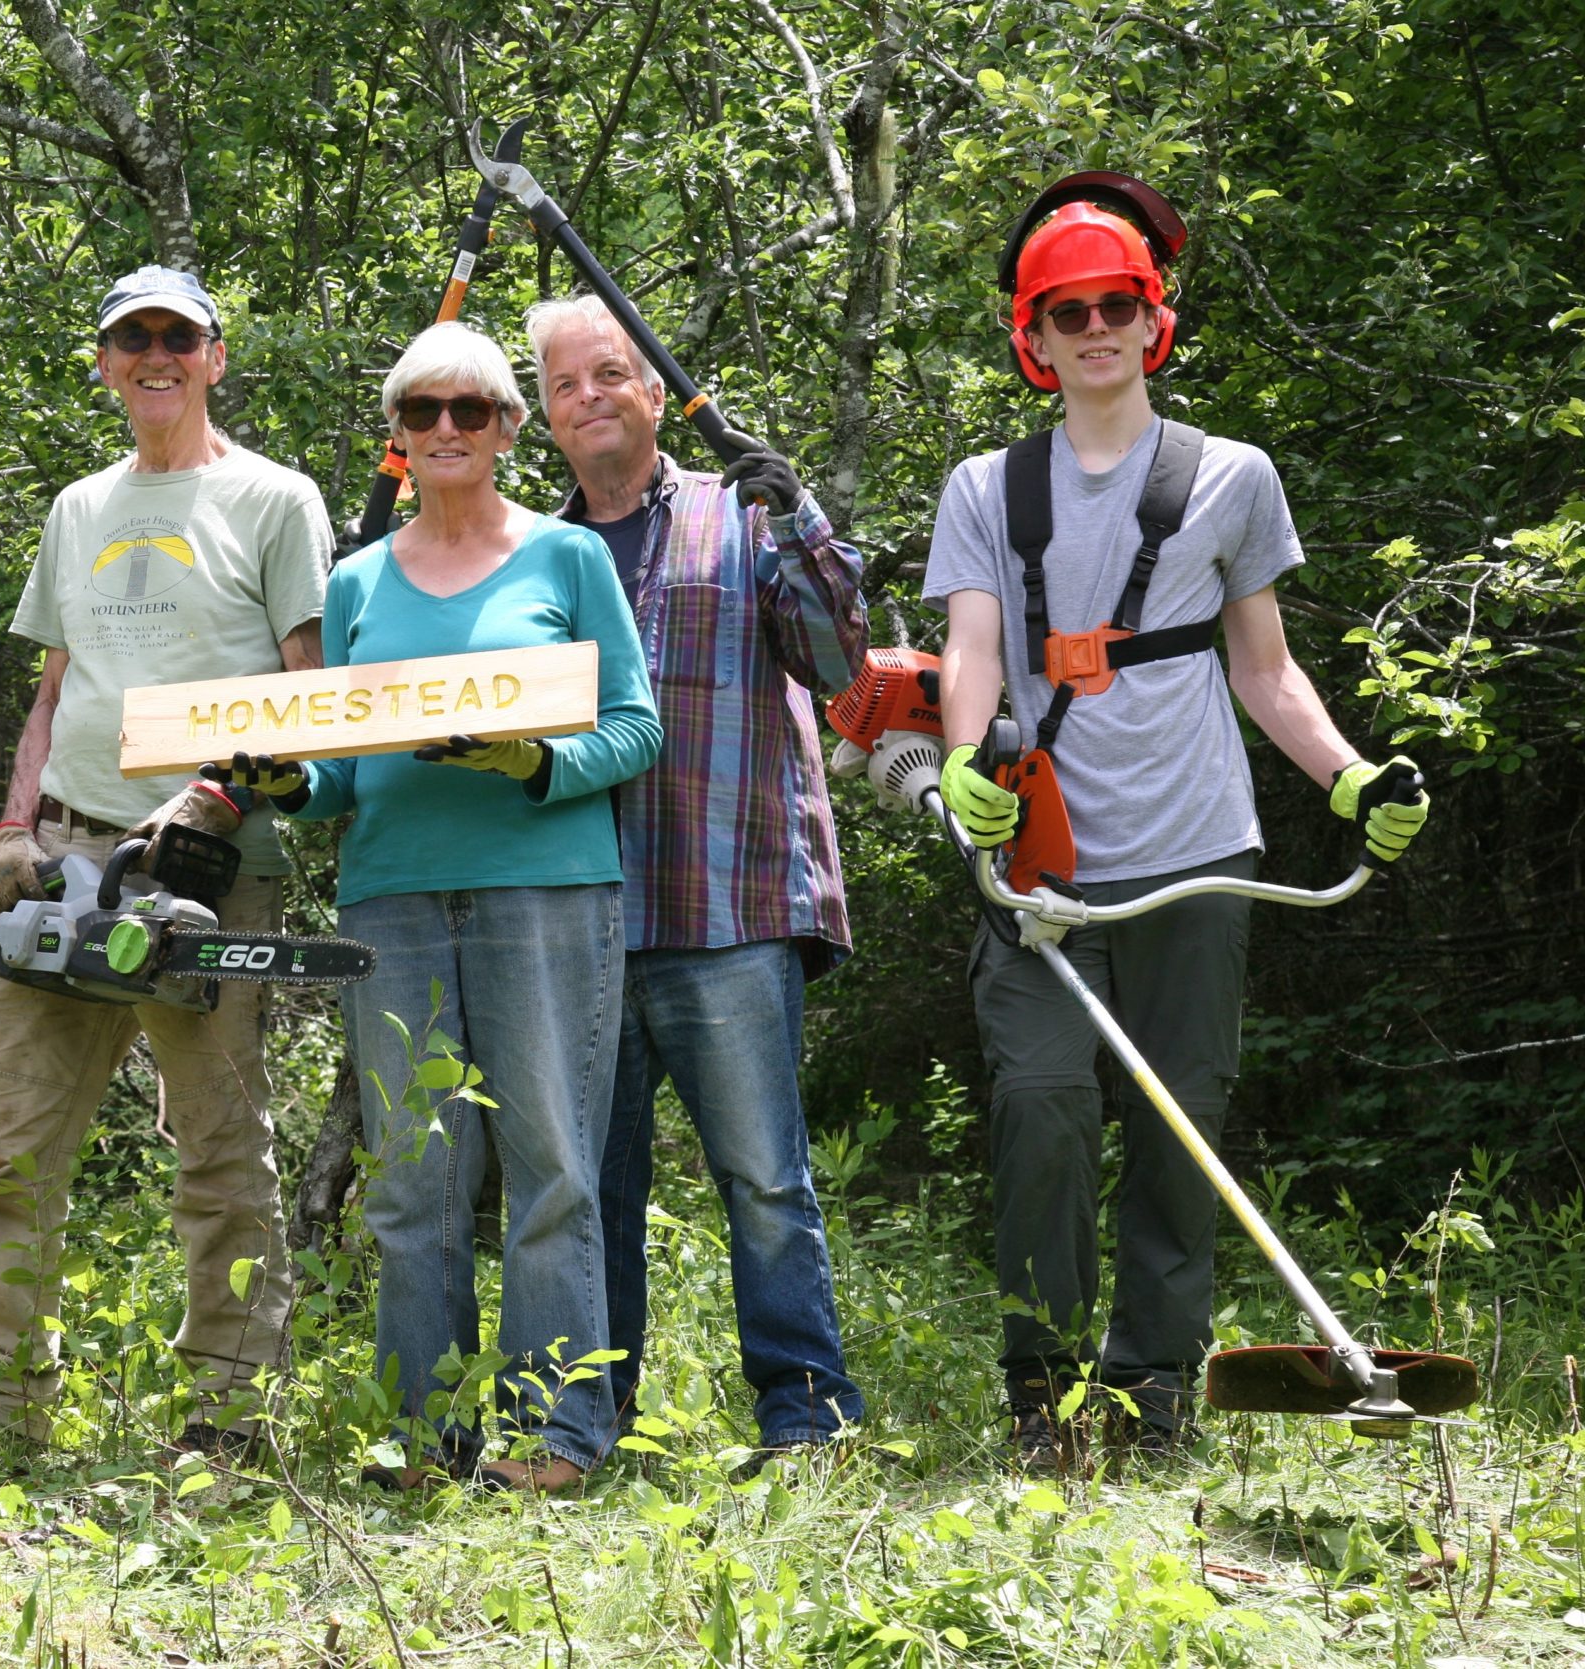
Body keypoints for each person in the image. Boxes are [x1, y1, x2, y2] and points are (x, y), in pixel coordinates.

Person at [922, 175, 1432, 1463]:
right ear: (1030, 338)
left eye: (1118, 304)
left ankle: (1148, 1394)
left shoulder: (1231, 478)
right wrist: (965, 761)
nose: (1095, 327)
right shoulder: (986, 486)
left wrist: (1348, 779)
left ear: (1155, 319)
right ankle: (1042, 1389)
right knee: (1039, 1107)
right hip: (1040, 859)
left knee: (1178, 1126)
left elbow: (1264, 668)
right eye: (1067, 310)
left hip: (1197, 853)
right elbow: (972, 647)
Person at [211, 321, 662, 1494]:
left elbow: (633, 728)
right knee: (413, 1177)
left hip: (548, 896)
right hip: (395, 900)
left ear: (513, 428)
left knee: (552, 1166)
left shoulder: (567, 560)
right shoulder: (355, 583)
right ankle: (423, 1437)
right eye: (423, 412)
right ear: (398, 439)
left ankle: (557, 1437)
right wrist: (283, 781)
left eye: (472, 408)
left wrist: (529, 764)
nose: (448, 429)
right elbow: (340, 772)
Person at [0, 265, 330, 1458]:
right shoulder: (78, 507)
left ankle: (227, 1417)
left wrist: (216, 800)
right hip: (64, 859)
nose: (154, 356)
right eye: (132, 340)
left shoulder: (276, 499)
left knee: (220, 1149)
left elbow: (307, 693)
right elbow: (54, 688)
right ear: (107, 362)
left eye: (178, 336)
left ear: (216, 355)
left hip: (211, 866)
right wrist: (13, 830)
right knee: (10, 1156)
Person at [525, 296, 874, 1465]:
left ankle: (807, 1417)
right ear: (545, 416)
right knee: (589, 1192)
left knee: (765, 1179)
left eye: (611, 374)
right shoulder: (535, 556)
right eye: (567, 384)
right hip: (579, 916)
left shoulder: (742, 514)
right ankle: (589, 1422)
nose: (591, 397)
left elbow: (836, 665)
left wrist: (804, 523)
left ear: (656, 393)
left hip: (729, 900)